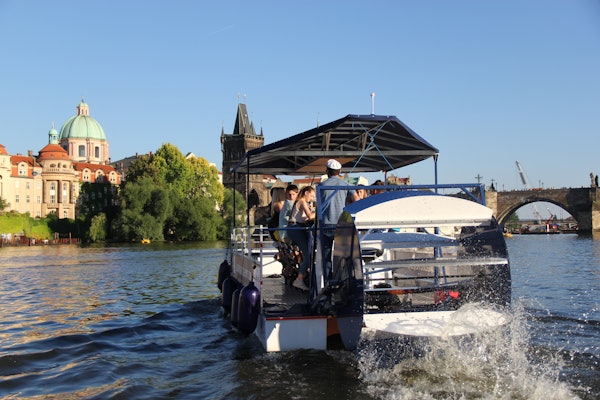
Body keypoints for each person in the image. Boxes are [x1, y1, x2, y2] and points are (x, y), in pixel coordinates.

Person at [318, 159, 359, 279]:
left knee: (326, 255)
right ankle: (344, 278)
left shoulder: (321, 186)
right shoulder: (346, 184)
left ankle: (328, 281)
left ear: (327, 171)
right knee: (343, 254)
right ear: (339, 171)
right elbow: (357, 201)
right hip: (342, 224)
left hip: (326, 224)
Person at [287, 186, 316, 291]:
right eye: (311, 196)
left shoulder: (299, 202)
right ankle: (299, 279)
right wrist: (320, 212)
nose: (311, 199)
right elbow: (310, 216)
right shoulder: (302, 201)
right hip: (296, 228)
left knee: (309, 252)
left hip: (294, 228)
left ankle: (305, 275)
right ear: (306, 193)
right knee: (309, 253)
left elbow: (302, 217)